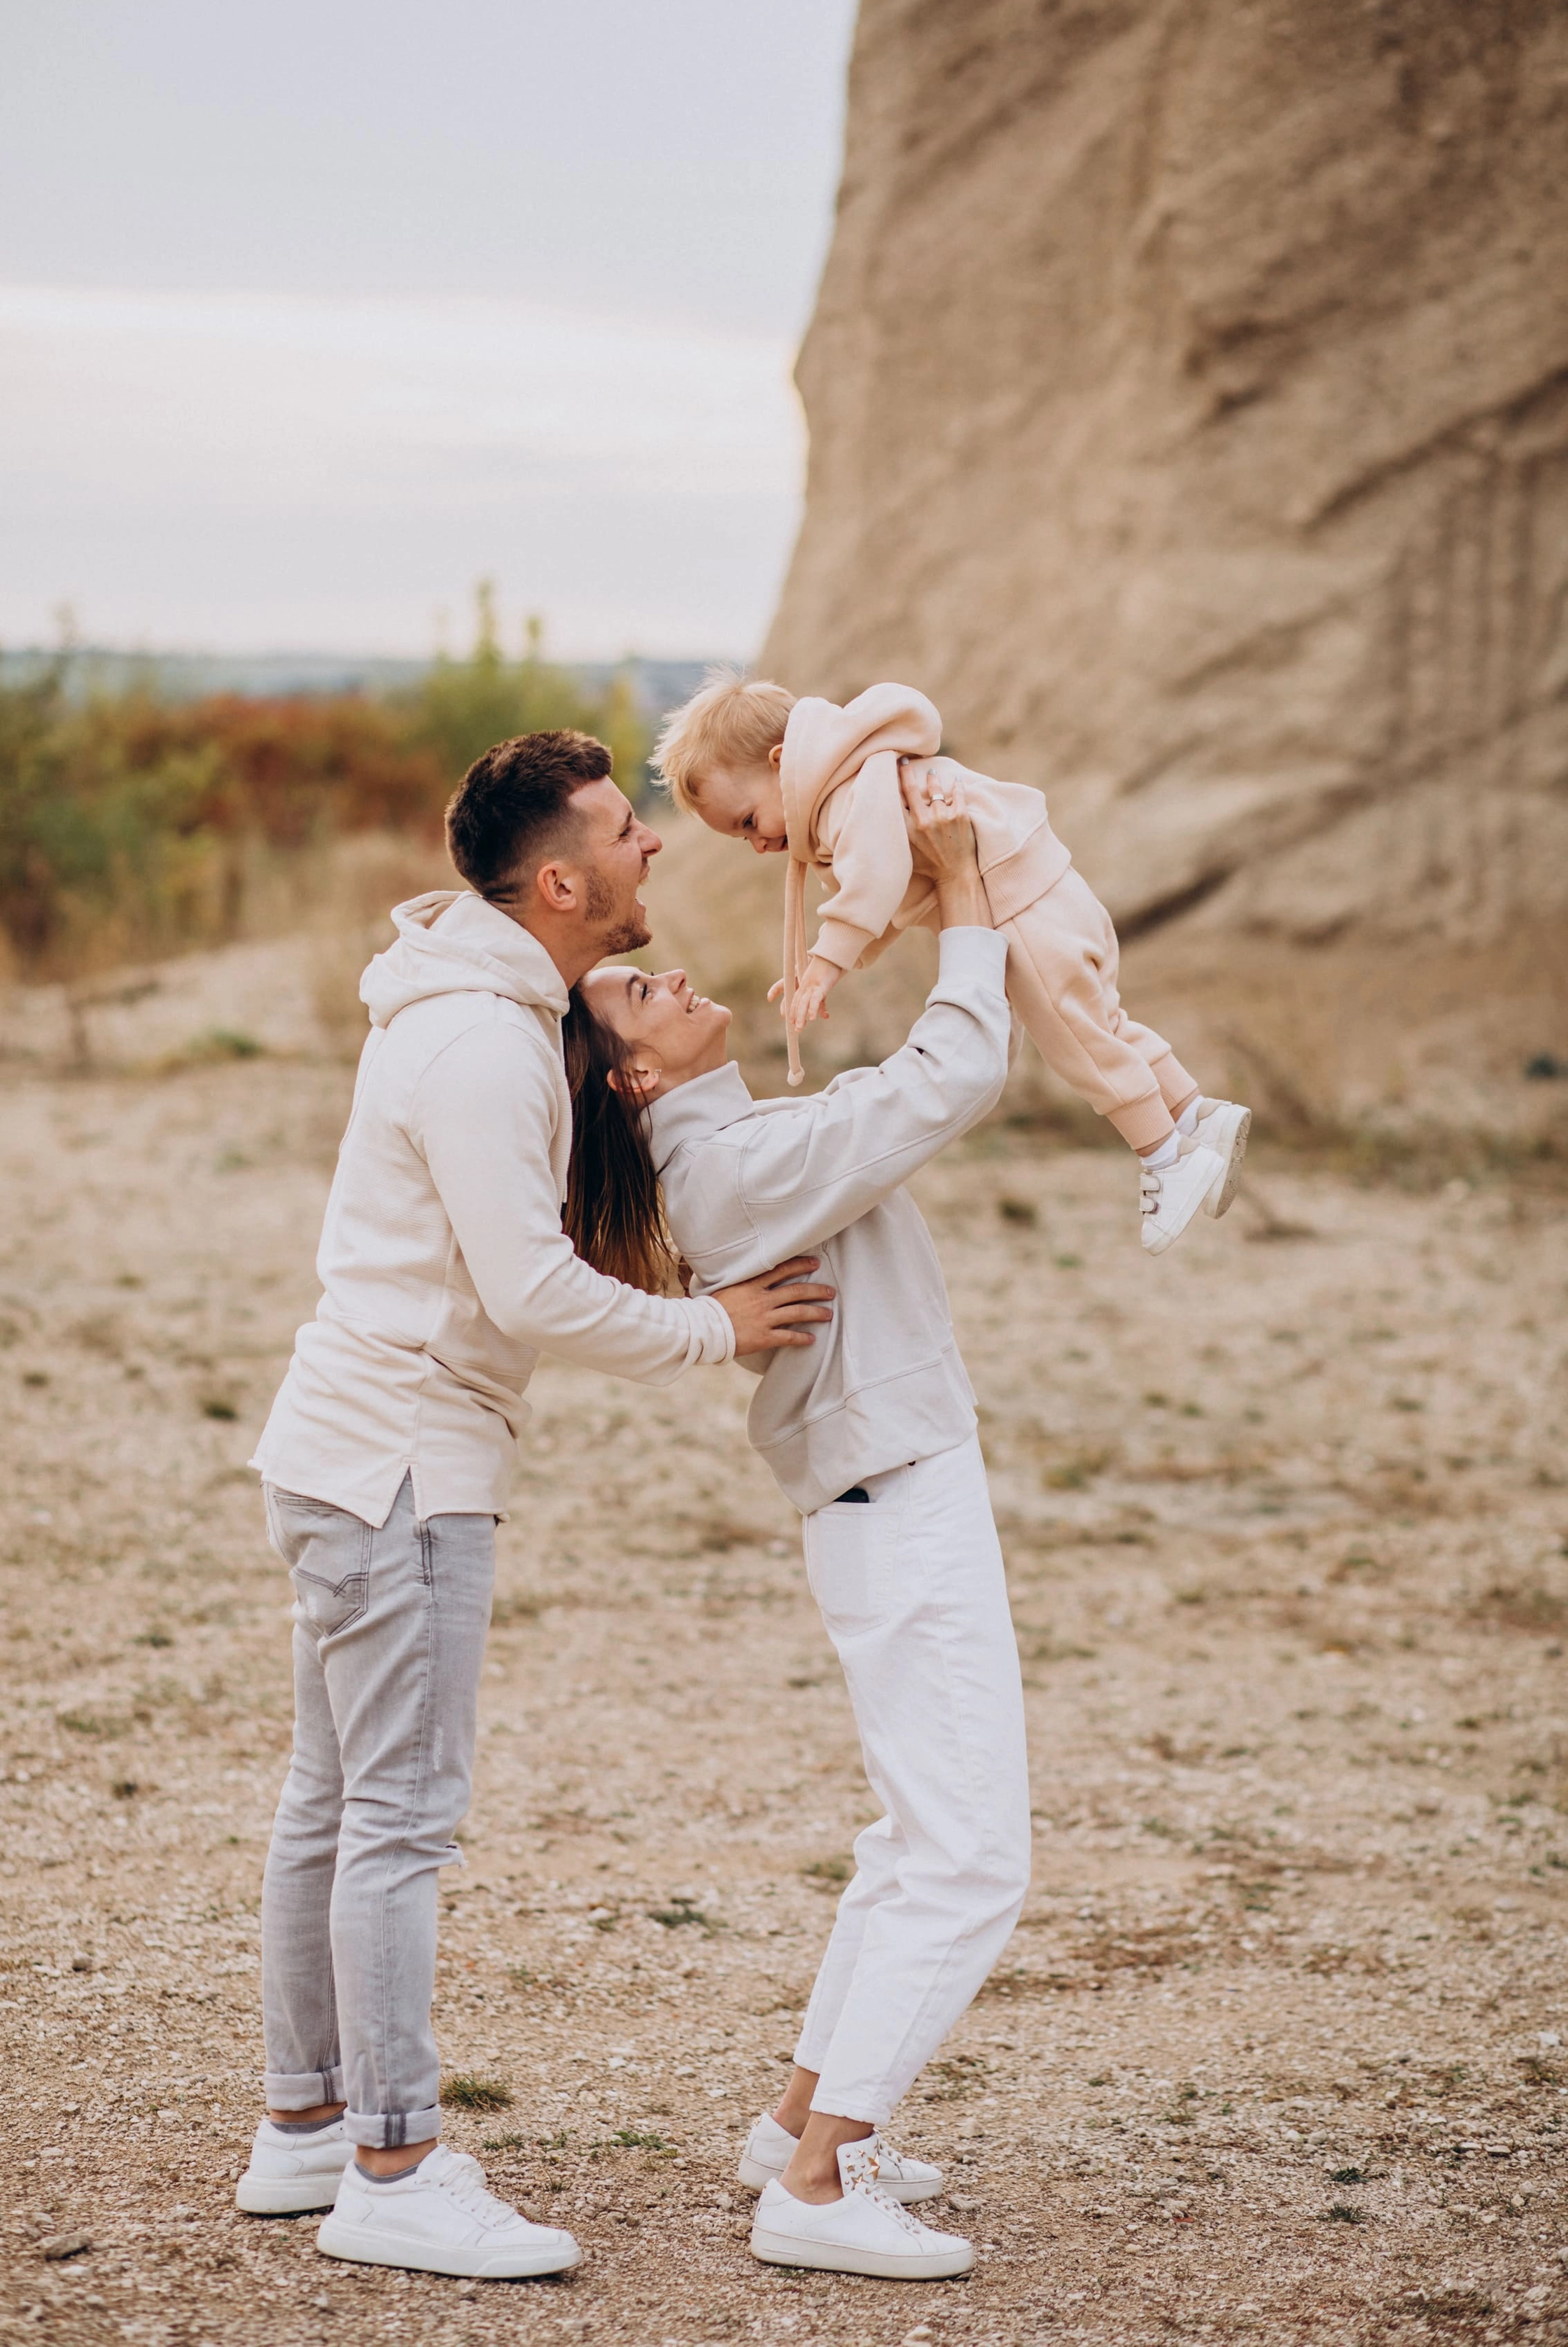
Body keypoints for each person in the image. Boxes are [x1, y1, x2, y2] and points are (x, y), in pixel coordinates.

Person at [236, 729, 834, 2283]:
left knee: (331, 1805)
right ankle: (392, 2168)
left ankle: (306, 2126)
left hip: (345, 1450)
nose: (653, 846)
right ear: (559, 882)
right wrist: (716, 1330)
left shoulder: (482, 1007)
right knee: (393, 1822)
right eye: (627, 832)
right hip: (402, 1473)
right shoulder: (485, 1046)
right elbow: (530, 1290)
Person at [564, 771, 1030, 2283]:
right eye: (636, 996)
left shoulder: (739, 1144)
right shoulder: (739, 1166)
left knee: (913, 1840)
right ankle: (821, 2189)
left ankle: (795, 2129)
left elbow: (880, 1104)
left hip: (886, 1496)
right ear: (633, 1082)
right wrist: (966, 900)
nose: (668, 977)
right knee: (971, 1858)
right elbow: (947, 1079)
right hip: (899, 1502)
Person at [652, 671, 1252, 1255]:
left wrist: (829, 959)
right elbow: (893, 894)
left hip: (1016, 908)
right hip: (1048, 888)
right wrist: (830, 962)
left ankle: (1165, 1158)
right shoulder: (866, 775)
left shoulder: (845, 798)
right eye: (743, 838)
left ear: (782, 763)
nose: (759, 844)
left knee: (1078, 1044)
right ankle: (1196, 1116)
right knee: (1102, 1022)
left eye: (749, 822)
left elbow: (876, 880)